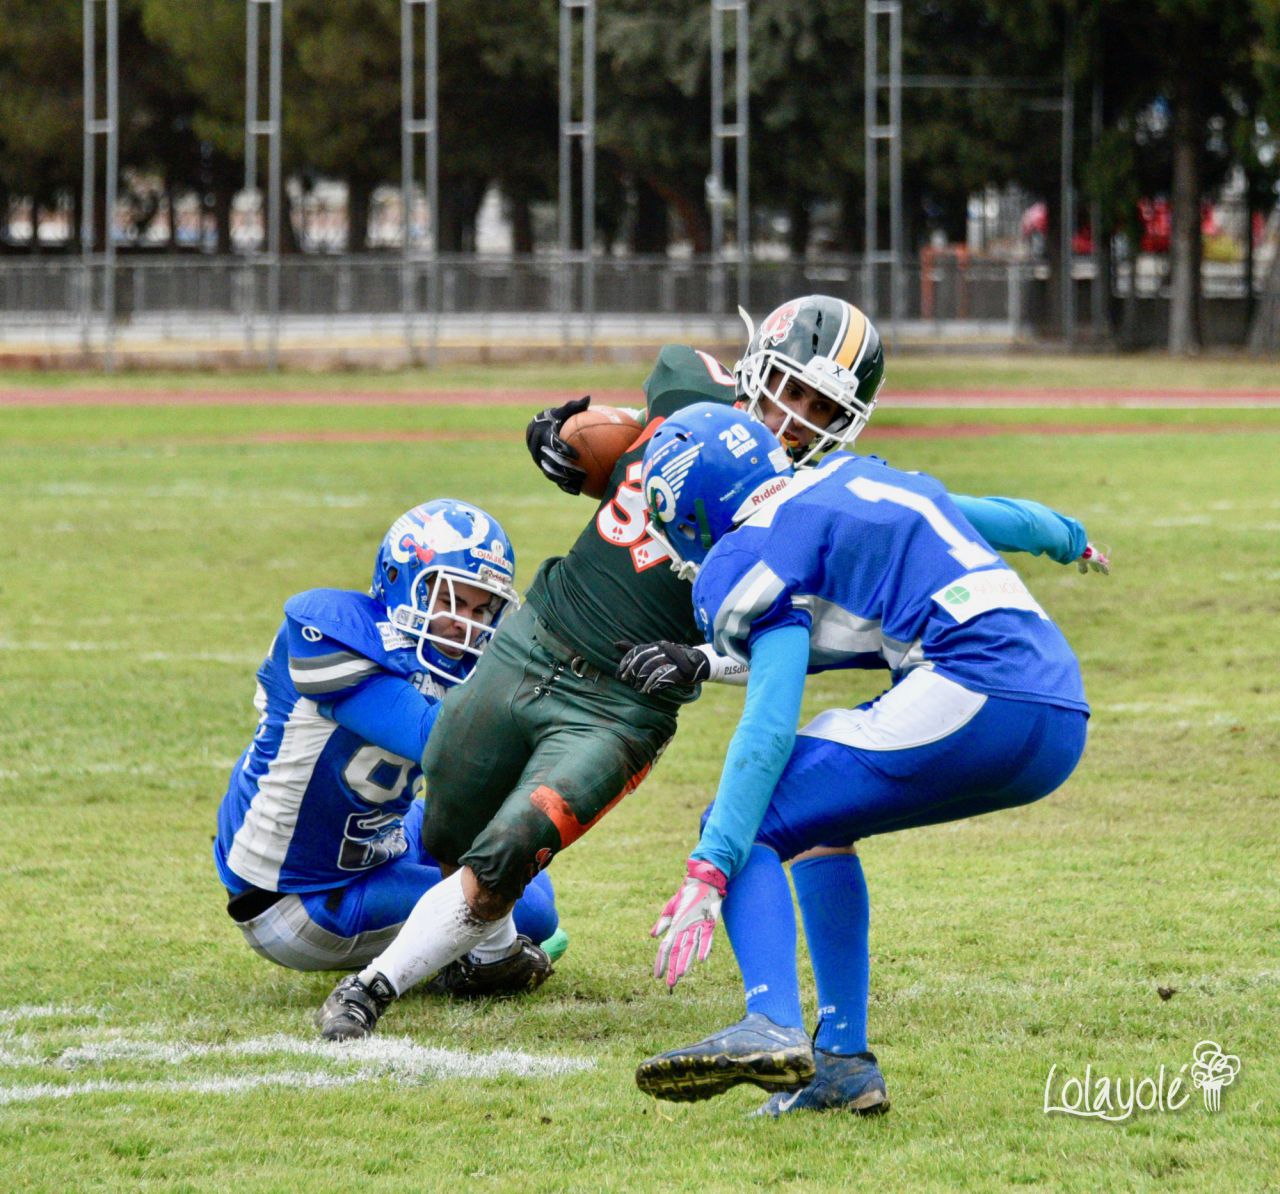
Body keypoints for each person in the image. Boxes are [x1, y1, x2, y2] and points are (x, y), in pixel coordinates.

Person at [314, 296, 1103, 1042]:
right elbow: (626, 435)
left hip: (621, 704)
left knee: (518, 841)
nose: (798, 418)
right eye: (793, 390)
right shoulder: (693, 392)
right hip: (542, 633)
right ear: (757, 366)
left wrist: (1059, 534)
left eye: (824, 409)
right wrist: (572, 437)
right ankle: (486, 956)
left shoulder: (805, 504)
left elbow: (917, 534)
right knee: (450, 818)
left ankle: (375, 985)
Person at [631, 404, 1089, 1115]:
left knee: (746, 820)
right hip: (1058, 708)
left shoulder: (750, 556)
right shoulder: (853, 477)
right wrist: (1071, 540)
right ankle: (841, 1064)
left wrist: (711, 864)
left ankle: (770, 1020)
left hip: (971, 693)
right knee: (818, 820)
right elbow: (1011, 521)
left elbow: (769, 724)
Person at [214, 499, 564, 999]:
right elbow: (440, 742)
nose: (465, 624)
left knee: (519, 872)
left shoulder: (450, 660)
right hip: (300, 896)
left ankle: (464, 941)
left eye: (480, 608)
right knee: (530, 911)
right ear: (403, 580)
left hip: (376, 844)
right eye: (451, 602)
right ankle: (474, 960)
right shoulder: (335, 636)